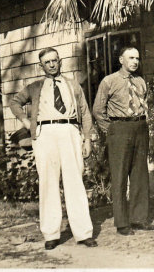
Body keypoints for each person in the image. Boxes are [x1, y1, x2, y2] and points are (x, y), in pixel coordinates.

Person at [10, 47, 98, 249]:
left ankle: (83, 233)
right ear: (41, 66)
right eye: (47, 62)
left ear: (60, 62)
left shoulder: (72, 85)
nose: (51, 64)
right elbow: (15, 103)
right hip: (45, 134)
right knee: (48, 183)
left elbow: (84, 112)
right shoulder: (34, 87)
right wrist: (25, 121)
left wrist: (87, 139)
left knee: (75, 181)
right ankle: (51, 234)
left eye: (54, 60)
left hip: (69, 131)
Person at [93, 46, 154, 236]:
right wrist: (110, 130)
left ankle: (139, 218)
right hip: (119, 129)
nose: (135, 62)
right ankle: (122, 223)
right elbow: (98, 110)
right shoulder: (109, 81)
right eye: (131, 58)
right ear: (121, 60)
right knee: (119, 176)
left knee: (140, 174)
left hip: (140, 127)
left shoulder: (140, 81)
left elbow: (144, 104)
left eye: (137, 58)